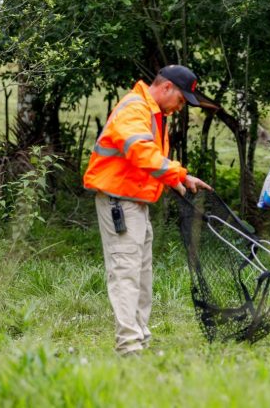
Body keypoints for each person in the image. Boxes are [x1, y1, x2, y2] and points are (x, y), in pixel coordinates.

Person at [83, 65, 212, 355]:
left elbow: (147, 160)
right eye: (181, 100)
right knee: (126, 272)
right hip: (119, 203)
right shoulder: (135, 108)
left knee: (141, 274)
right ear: (166, 88)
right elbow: (141, 152)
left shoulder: (150, 111)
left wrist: (176, 180)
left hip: (134, 203)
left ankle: (139, 339)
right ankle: (129, 347)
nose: (180, 107)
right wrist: (179, 174)